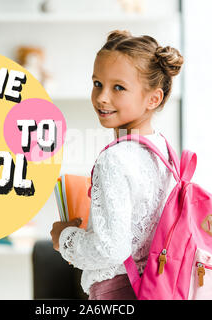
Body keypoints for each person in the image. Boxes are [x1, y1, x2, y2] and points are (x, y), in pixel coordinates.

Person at [50, 30, 184, 300]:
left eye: (118, 88)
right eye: (97, 83)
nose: (102, 97)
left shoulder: (114, 158)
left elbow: (109, 249)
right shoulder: (165, 152)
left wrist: (64, 238)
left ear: (153, 99)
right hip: (158, 288)